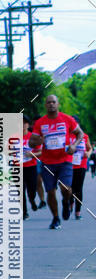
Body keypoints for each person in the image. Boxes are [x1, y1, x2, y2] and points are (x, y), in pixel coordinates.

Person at [29, 94, 83, 229]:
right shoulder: (40, 123)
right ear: (45, 105)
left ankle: (66, 201)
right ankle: (55, 218)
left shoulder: (67, 119)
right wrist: (39, 140)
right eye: (48, 102)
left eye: (53, 102)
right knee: (50, 191)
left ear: (58, 104)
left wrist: (74, 145)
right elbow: (31, 141)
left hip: (65, 160)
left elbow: (80, 134)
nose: (51, 104)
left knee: (65, 188)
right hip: (48, 162)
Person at [70, 119, 92, 220]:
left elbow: (89, 148)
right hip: (68, 166)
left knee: (78, 188)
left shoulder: (85, 136)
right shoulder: (66, 136)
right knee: (69, 188)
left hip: (81, 165)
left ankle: (78, 212)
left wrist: (88, 153)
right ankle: (70, 202)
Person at [22, 117, 39, 219]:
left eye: (24, 123)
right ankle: (24, 212)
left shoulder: (33, 137)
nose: (22, 126)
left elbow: (41, 152)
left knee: (31, 189)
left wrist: (32, 154)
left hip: (31, 167)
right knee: (20, 190)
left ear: (28, 125)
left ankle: (32, 200)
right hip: (17, 167)